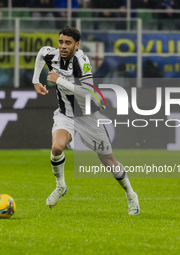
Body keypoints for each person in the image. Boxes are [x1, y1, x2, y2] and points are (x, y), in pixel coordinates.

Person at [32, 26, 140, 215]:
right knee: (56, 148)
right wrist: (36, 81)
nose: (63, 46)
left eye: (68, 43)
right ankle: (61, 186)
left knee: (108, 161)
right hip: (65, 114)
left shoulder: (82, 61)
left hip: (88, 117)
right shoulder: (53, 55)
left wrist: (60, 81)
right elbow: (41, 53)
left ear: (77, 44)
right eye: (61, 42)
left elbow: (88, 92)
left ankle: (131, 195)